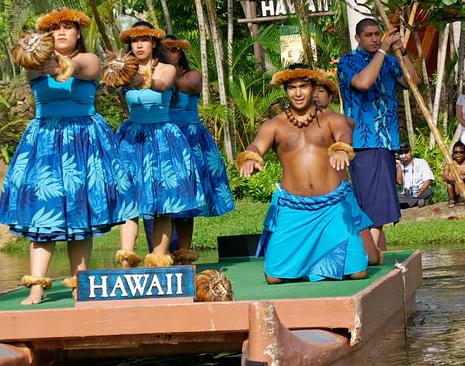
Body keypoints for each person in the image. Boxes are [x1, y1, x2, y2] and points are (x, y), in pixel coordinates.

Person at [0, 9, 134, 304]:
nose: (61, 32)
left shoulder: (91, 60)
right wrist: (38, 54)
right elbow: (38, 67)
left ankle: (79, 283)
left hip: (83, 139)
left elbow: (78, 67)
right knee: (42, 216)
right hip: (45, 140)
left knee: (79, 214)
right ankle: (37, 285)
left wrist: (53, 61)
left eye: (68, 28)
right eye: (55, 29)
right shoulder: (34, 65)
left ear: (78, 33)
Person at [238, 64, 379, 283]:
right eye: (292, 87)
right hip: (294, 208)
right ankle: (316, 264)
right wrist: (250, 157)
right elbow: (257, 146)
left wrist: (341, 148)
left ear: (314, 88)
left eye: (303, 86)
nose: (297, 93)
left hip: (333, 206)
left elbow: (344, 134)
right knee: (274, 277)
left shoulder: (332, 119)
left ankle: (336, 260)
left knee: (358, 272)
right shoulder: (274, 125)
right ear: (285, 90)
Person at [108, 22, 203, 269]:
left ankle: (159, 261)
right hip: (132, 139)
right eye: (134, 41)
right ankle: (127, 260)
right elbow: (108, 84)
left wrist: (135, 76)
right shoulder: (124, 70)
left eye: (144, 40)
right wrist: (114, 71)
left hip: (162, 137)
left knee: (163, 203)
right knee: (129, 200)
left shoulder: (167, 69)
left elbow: (161, 85)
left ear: (153, 43)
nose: (139, 45)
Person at [337, 18, 420, 253]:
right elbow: (362, 83)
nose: (374, 39)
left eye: (377, 34)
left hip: (385, 141)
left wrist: (401, 52)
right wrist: (383, 49)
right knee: (374, 203)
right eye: (369, 35)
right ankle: (369, 256)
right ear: (358, 38)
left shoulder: (389, 61)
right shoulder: (348, 61)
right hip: (363, 142)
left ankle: (377, 253)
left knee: (380, 201)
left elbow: (413, 82)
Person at [164, 35, 234, 260]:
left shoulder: (191, 75)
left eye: (175, 50)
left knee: (188, 196)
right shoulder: (154, 74)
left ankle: (184, 252)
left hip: (190, 139)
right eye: (166, 50)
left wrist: (161, 75)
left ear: (180, 53)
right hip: (164, 140)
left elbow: (191, 86)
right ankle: (161, 253)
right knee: (166, 196)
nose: (171, 54)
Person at [442, 141, 465, 207]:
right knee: (449, 175)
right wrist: (453, 179)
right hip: (455, 192)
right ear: (453, 154)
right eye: (456, 152)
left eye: (461, 152)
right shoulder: (450, 164)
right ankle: (452, 199)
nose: (458, 154)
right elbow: (444, 176)